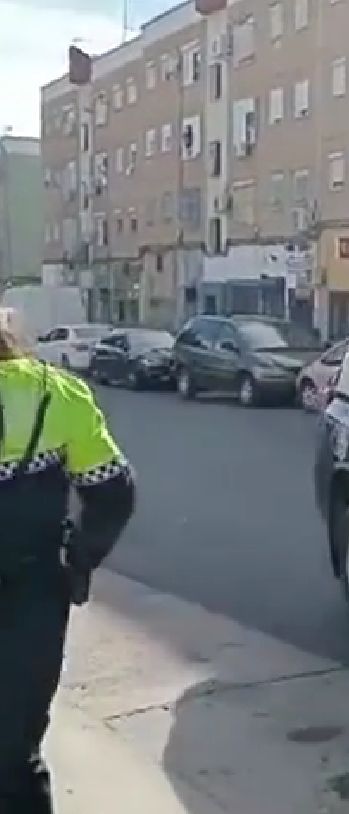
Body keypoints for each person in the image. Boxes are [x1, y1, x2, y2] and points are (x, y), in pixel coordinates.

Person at [0, 307, 136, 813]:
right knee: (15, 746)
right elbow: (113, 492)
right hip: (35, 582)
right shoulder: (57, 393)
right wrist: (79, 560)